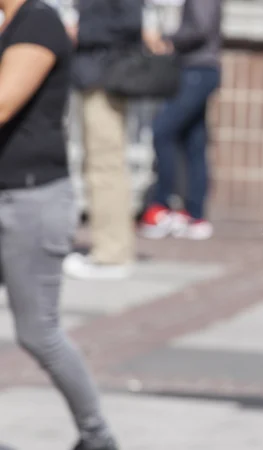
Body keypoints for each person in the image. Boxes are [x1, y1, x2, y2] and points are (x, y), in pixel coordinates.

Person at [0, 0, 117, 448]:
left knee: (38, 331)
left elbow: (5, 102)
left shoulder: (38, 19)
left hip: (30, 199)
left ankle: (97, 435)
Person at [61, 0, 144, 280]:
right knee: (99, 164)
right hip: (95, 76)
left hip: (105, 77)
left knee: (104, 166)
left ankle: (111, 254)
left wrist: (78, 30)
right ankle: (110, 249)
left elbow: (131, 24)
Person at [139, 0, 222, 240]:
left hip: (198, 68)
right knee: (194, 141)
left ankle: (161, 206)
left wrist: (169, 40)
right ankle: (194, 214)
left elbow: (200, 27)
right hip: (197, 67)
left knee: (162, 131)